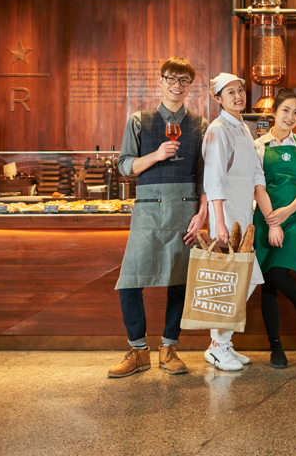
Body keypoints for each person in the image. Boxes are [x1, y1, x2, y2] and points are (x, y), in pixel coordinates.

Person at [110, 58, 207, 378]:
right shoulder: (139, 120)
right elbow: (125, 166)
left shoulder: (200, 124)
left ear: (190, 87)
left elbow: (205, 177)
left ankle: (169, 348)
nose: (177, 86)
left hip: (185, 209)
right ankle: (138, 351)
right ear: (161, 81)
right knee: (130, 283)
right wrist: (156, 154)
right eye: (172, 79)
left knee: (180, 282)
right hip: (149, 209)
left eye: (184, 81)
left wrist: (202, 213)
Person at [202, 73, 266, 371]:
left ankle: (222, 343)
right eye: (230, 92)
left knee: (244, 280)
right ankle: (218, 346)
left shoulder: (242, 127)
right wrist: (218, 222)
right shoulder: (217, 129)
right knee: (230, 282)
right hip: (226, 213)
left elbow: (253, 173)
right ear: (218, 98)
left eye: (240, 90)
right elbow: (213, 179)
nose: (238, 96)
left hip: (243, 211)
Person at [253, 88, 296, 369]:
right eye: (285, 111)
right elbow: (257, 186)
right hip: (265, 217)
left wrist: (288, 212)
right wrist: (271, 220)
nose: (291, 117)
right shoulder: (258, 145)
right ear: (274, 113)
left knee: (279, 274)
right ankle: (275, 346)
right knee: (268, 284)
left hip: (295, 217)